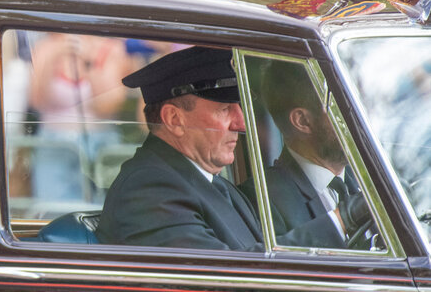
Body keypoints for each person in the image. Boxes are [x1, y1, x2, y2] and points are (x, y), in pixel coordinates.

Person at [95, 46, 262, 251]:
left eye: (239, 108)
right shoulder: (150, 189)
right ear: (174, 120)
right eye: (225, 109)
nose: (241, 124)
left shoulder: (216, 185)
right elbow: (217, 274)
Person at [239, 61, 369, 247]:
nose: (361, 119)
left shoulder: (372, 180)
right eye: (345, 108)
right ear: (302, 121)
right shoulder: (263, 200)